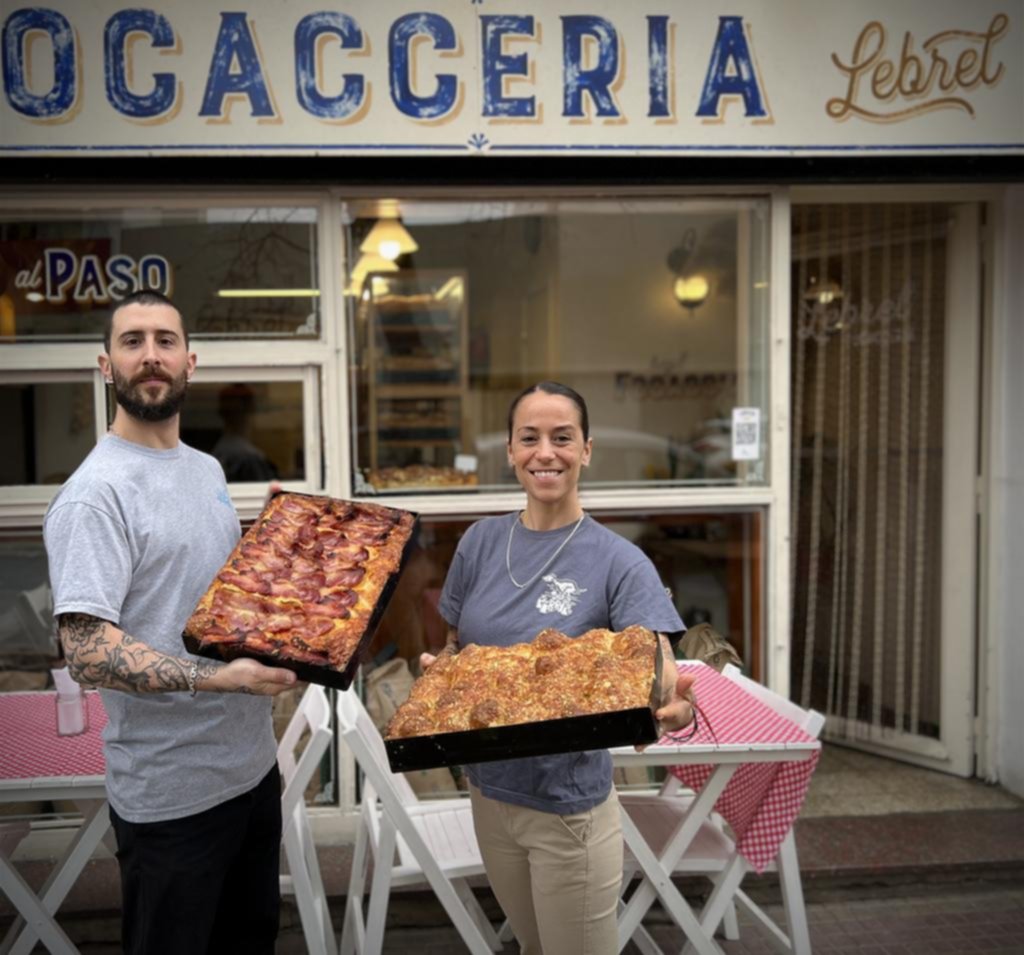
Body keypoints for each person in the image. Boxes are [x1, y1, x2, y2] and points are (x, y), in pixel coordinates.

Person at [43, 289, 297, 955]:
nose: (150, 355)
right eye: (133, 341)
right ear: (106, 365)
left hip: (248, 777)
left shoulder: (206, 467)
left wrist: (279, 549)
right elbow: (89, 652)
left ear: (191, 362)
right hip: (171, 801)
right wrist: (223, 681)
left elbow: (213, 599)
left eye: (165, 340)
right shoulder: (95, 495)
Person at [425, 380, 697, 955]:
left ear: (587, 450)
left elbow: (660, 672)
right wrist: (440, 678)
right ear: (510, 450)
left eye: (562, 438)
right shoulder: (478, 542)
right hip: (488, 794)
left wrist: (671, 707)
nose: (544, 453)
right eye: (530, 438)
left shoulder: (619, 562)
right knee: (530, 947)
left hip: (567, 811)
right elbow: (454, 647)